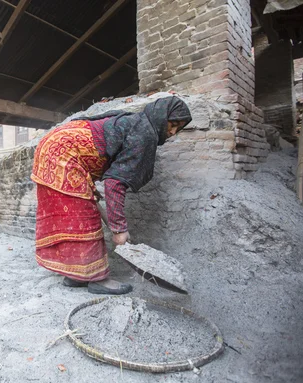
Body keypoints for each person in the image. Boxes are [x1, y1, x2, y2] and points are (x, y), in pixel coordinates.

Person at [31, 96, 192, 295]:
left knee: (75, 214)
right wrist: (119, 229)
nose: (173, 132)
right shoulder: (144, 133)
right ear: (161, 116)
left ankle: (77, 275)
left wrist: (91, 194)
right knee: (85, 218)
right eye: (172, 124)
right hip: (63, 153)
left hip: (54, 145)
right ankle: (98, 280)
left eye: (179, 128)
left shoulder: (136, 122)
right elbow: (114, 183)